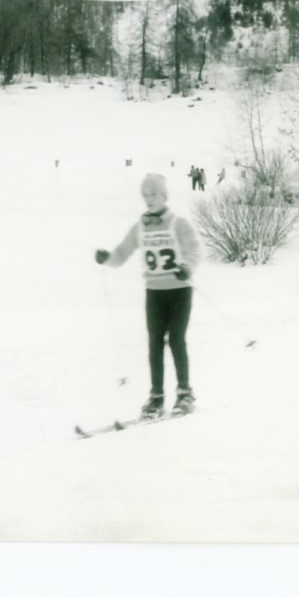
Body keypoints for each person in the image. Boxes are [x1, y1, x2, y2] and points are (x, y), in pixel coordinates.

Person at [95, 172, 200, 419]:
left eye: (154, 194)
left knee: (176, 339)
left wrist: (187, 266)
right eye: (145, 195)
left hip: (179, 291)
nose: (149, 199)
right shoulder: (140, 227)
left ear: (164, 195)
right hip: (154, 293)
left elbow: (194, 249)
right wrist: (107, 258)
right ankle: (156, 397)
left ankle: (185, 393)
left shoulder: (178, 224)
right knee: (154, 343)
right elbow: (122, 253)